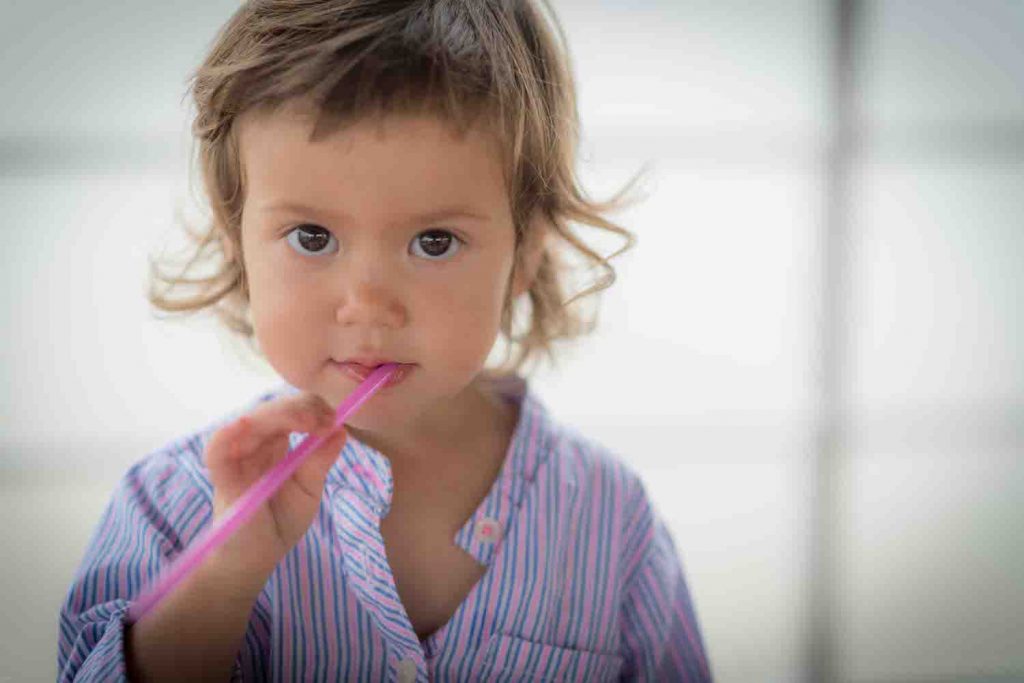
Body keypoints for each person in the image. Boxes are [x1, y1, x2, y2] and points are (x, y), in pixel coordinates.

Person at [57, 1, 711, 680]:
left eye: (434, 241)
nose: (367, 304)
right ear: (237, 240)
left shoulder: (609, 518)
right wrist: (224, 573)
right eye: (312, 237)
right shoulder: (169, 505)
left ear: (524, 257)